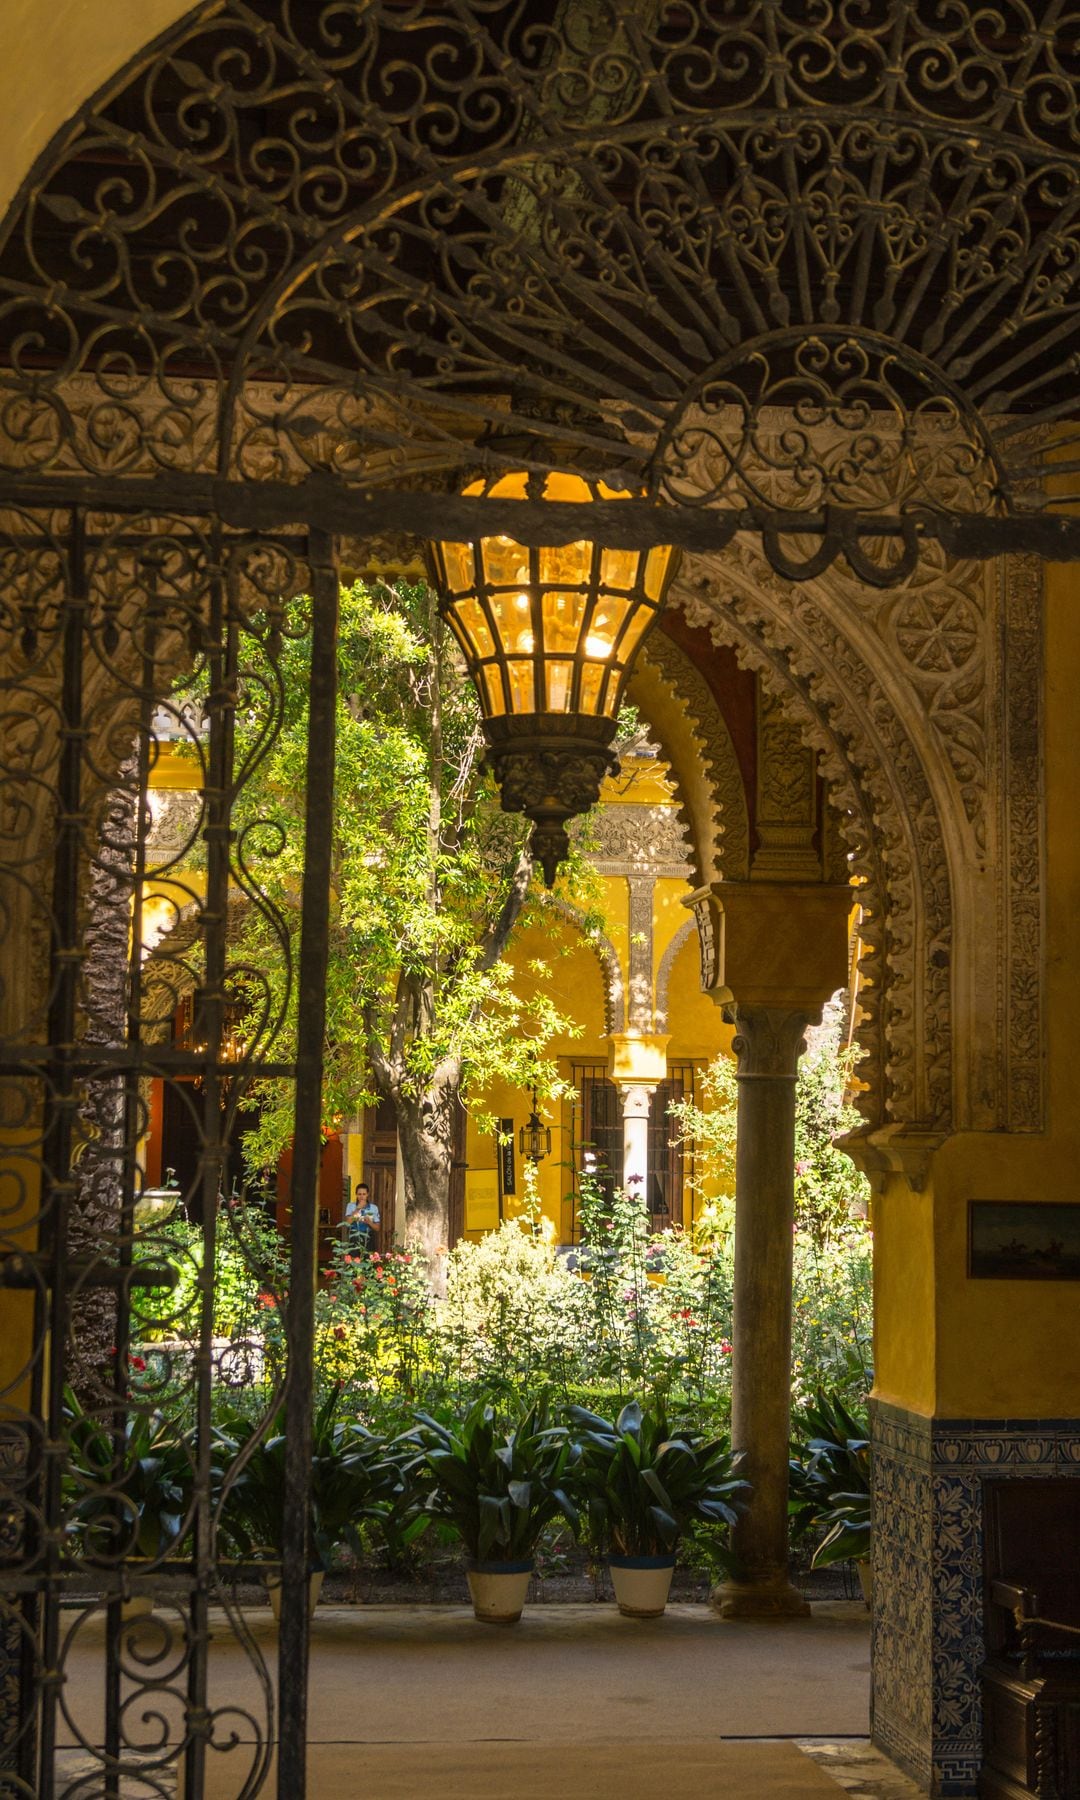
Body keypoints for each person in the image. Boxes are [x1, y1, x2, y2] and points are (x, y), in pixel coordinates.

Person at [344, 1182, 380, 1252]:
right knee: (353, 1258)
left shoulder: (374, 1208)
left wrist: (370, 1222)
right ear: (356, 1194)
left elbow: (377, 1228)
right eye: (359, 1194)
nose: (361, 1196)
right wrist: (358, 1208)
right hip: (354, 1237)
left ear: (367, 1194)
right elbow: (347, 1223)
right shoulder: (350, 1206)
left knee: (368, 1258)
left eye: (364, 1194)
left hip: (368, 1238)